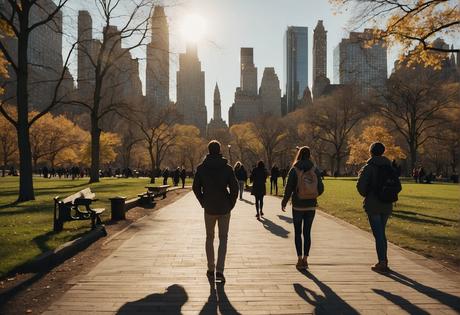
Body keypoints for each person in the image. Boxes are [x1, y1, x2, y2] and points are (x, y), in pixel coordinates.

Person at [192, 140, 238, 283]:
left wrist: (203, 201)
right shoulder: (227, 168)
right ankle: (220, 271)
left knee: (209, 238)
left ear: (208, 150)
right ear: (219, 150)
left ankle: (211, 269)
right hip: (224, 207)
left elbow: (195, 188)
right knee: (223, 239)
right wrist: (231, 203)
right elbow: (235, 188)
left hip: (209, 208)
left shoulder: (201, 168)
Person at [357, 142, 401, 273]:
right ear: (383, 152)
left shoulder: (369, 167)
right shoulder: (389, 167)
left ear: (371, 152)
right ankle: (384, 260)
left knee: (379, 234)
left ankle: (382, 262)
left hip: (373, 203)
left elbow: (361, 187)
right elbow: (397, 185)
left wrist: (367, 194)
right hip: (387, 203)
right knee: (381, 233)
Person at [281, 146, 324, 270]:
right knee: (307, 232)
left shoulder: (294, 169)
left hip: (298, 205)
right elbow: (321, 188)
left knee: (298, 232)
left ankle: (299, 259)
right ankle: (306, 259)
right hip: (311, 205)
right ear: (309, 155)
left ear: (299, 154)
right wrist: (312, 195)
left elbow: (289, 187)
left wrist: (284, 201)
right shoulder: (315, 169)